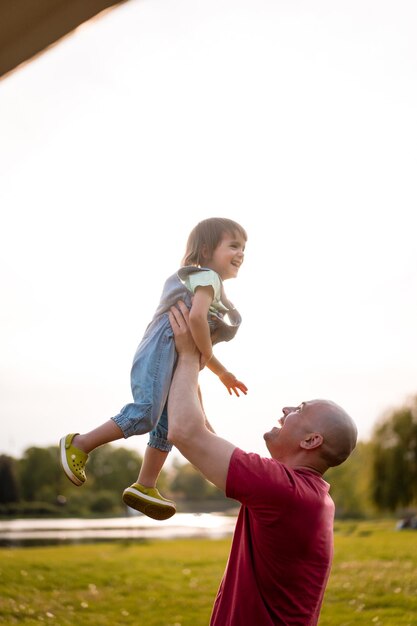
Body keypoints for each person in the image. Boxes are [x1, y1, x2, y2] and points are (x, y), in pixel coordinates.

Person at [167, 301, 358, 626]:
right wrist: (195, 367)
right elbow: (205, 439)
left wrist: (186, 354)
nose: (285, 409)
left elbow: (185, 433)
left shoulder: (284, 491)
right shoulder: (305, 494)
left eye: (299, 408)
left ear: (311, 441)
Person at [59, 218, 248, 520]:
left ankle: (145, 485)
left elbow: (196, 343)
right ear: (205, 250)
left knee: (166, 427)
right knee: (146, 413)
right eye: (234, 245)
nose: (241, 254)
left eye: (244, 248)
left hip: (169, 354)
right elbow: (197, 321)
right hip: (162, 348)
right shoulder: (208, 277)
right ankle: (80, 443)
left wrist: (221, 372)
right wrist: (210, 354)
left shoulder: (203, 281)